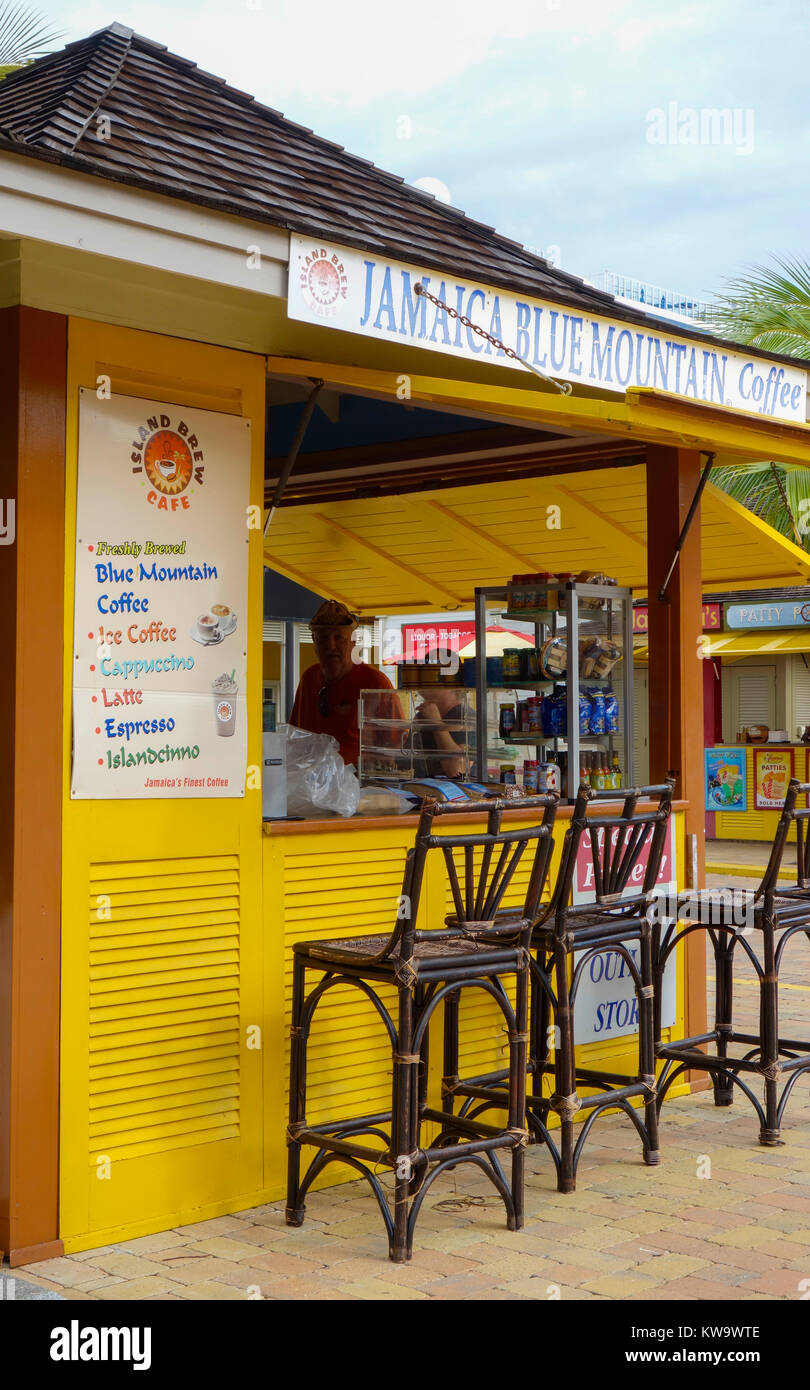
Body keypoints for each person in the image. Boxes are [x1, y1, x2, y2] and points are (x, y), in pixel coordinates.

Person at [289, 599, 398, 768]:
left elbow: (395, 745)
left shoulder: (376, 683)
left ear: (353, 641)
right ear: (314, 642)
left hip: (358, 786)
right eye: (323, 638)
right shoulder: (308, 678)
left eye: (338, 637)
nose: (331, 645)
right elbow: (295, 737)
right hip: (312, 784)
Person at [411, 685, 468, 779]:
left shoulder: (464, 716)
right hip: (422, 785)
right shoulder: (421, 716)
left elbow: (456, 771)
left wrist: (436, 723)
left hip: (453, 789)